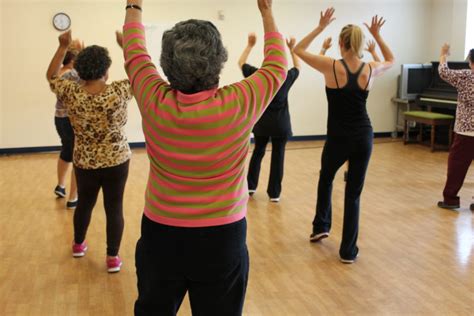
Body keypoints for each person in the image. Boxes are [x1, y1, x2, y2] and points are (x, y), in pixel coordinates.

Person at [122, 0, 286, 314]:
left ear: (167, 65)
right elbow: (277, 66)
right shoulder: (240, 102)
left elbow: (134, 51)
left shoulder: (152, 97)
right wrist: (267, 11)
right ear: (220, 61)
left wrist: (134, 5)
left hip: (161, 235)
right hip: (222, 238)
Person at [294, 8, 395, 263]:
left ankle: (321, 227)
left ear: (341, 43)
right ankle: (348, 252)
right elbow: (391, 60)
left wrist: (319, 27)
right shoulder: (370, 69)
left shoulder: (331, 65)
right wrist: (378, 37)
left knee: (326, 179)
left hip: (338, 138)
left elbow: (298, 50)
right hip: (364, 137)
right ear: (360, 44)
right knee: (353, 194)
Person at [47, 30, 133, 273]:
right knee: (114, 207)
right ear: (106, 70)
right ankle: (112, 258)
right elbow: (141, 74)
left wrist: (63, 47)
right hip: (117, 160)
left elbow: (51, 75)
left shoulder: (71, 92)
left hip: (84, 161)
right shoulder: (118, 92)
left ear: (79, 71)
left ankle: (78, 244)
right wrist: (127, 47)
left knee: (84, 203)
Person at [238, 33, 300, 202]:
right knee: (278, 156)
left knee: (258, 152)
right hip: (281, 125)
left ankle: (250, 187)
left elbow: (241, 63)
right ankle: (274, 194)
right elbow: (298, 67)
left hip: (262, 125)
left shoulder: (258, 75)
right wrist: (292, 49)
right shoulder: (285, 77)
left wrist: (250, 45)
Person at [436, 46, 474, 211]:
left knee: (456, 165)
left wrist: (443, 55)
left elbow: (444, 72)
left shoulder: (466, 75)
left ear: (471, 62)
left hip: (466, 131)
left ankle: (451, 199)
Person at [52, 41, 82, 209]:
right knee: (77, 156)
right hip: (72, 120)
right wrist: (83, 52)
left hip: (59, 118)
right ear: (73, 60)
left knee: (66, 151)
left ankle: (61, 186)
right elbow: (94, 76)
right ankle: (73, 198)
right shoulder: (72, 74)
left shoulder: (60, 73)